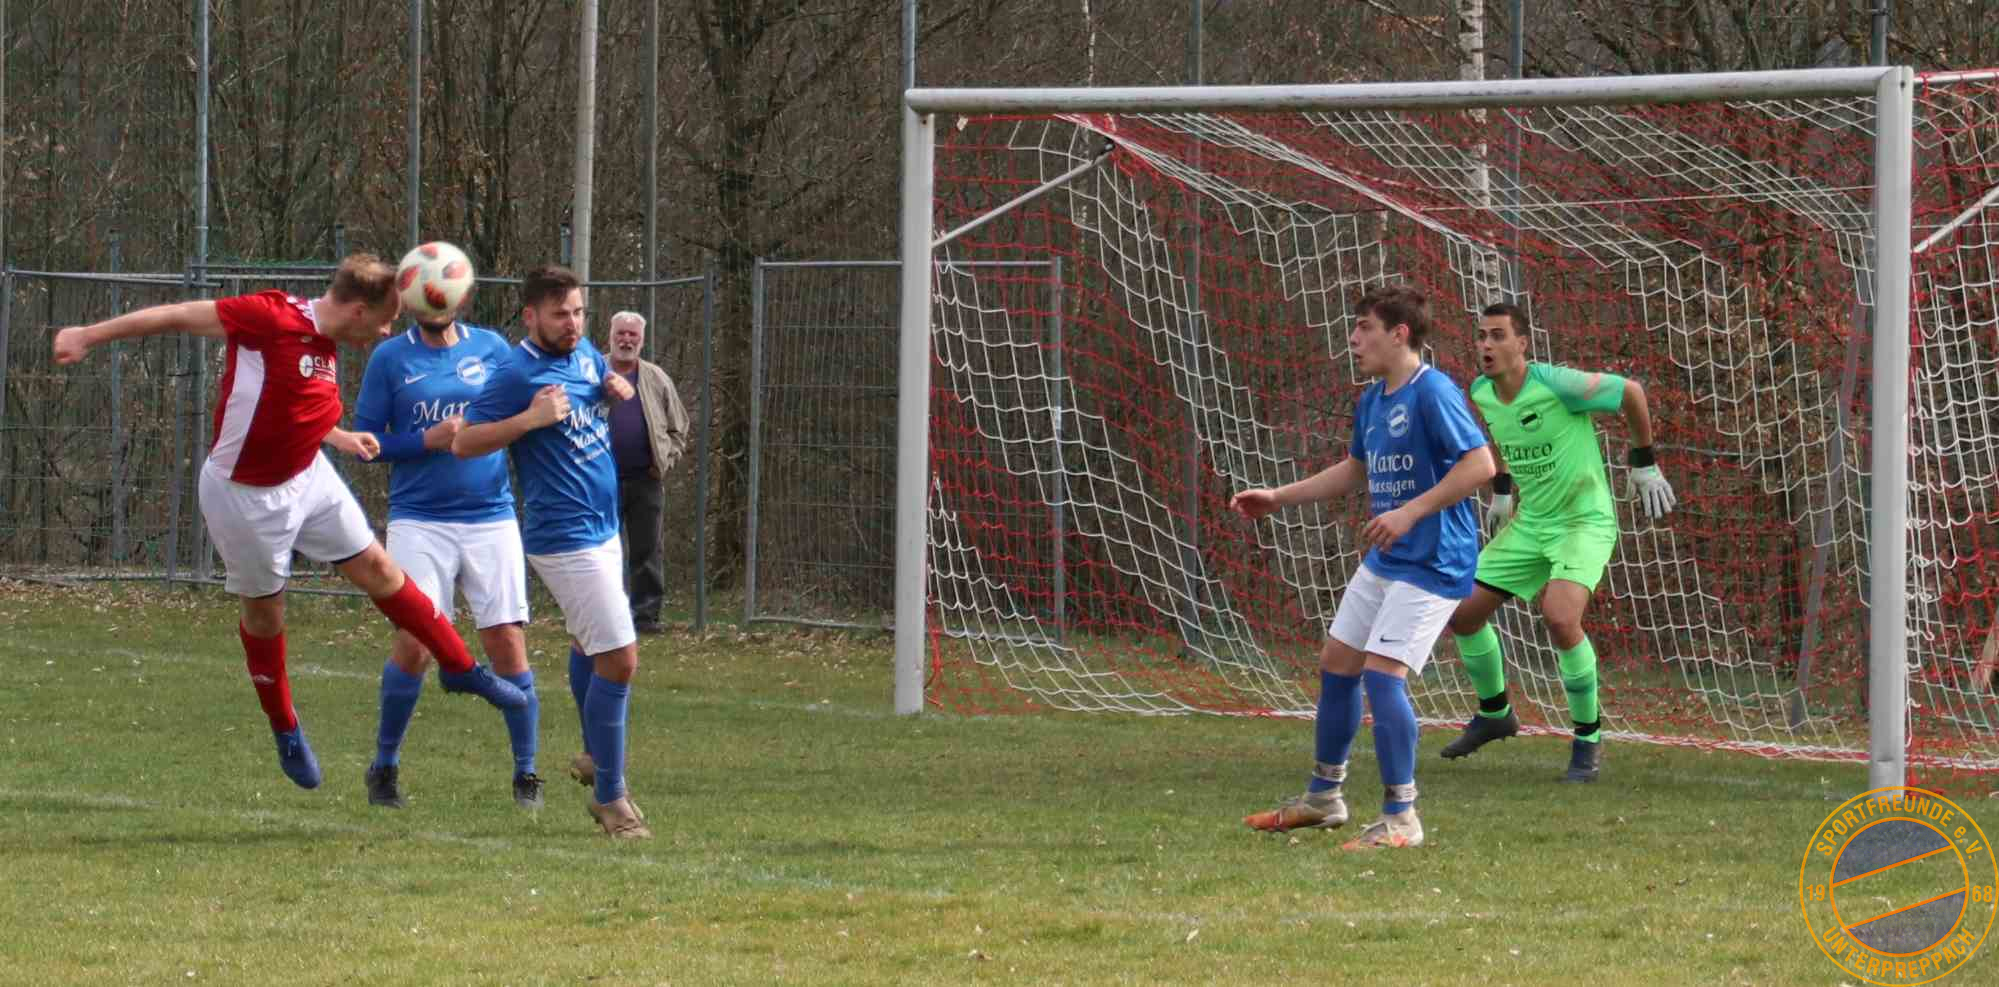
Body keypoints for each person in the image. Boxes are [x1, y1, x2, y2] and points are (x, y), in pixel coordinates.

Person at [50, 255, 527, 789]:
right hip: (245, 497)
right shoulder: (269, 317)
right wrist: (88, 334)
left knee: (380, 569)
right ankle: (285, 726)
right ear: (357, 310)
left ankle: (460, 668)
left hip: (307, 474)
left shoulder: (328, 344)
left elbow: (291, 404)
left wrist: (339, 437)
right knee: (265, 616)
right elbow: (178, 314)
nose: (387, 331)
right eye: (385, 320)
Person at [1234, 286, 1494, 850]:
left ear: (1399, 334)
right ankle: (1324, 797)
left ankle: (1402, 817)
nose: (1353, 339)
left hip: (1435, 560)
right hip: (1389, 558)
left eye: (1364, 327)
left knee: (1382, 675)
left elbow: (1481, 465)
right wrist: (1278, 497)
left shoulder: (1433, 392)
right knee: (1337, 664)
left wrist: (1410, 511)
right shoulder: (1374, 400)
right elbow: (1355, 470)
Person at [1438, 302, 1677, 783]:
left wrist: (1643, 461)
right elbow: (1500, 436)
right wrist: (1502, 491)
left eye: (1498, 335)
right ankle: (1495, 713)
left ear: (1522, 344)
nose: (1486, 345)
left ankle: (1587, 739)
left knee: (1561, 617)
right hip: (1532, 524)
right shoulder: (1481, 391)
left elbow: (1631, 393)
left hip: (1583, 521)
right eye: (1481, 336)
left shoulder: (1557, 384)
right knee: (1461, 613)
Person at [454, 265, 651, 838]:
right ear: (530, 316)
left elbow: (593, 387)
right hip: (564, 536)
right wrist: (528, 419)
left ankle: (593, 755)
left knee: (590, 644)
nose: (573, 323)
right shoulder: (515, 373)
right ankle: (611, 800)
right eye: (561, 314)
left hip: (603, 527)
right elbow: (465, 442)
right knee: (621, 657)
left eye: (579, 312)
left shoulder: (583, 352)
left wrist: (613, 388)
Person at [352, 293, 543, 810]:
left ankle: (526, 775)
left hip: (491, 516)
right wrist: (426, 440)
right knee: (415, 643)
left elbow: (531, 405)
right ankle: (384, 767)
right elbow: (364, 442)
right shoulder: (390, 357)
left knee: (506, 641)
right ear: (411, 301)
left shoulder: (493, 349)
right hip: (419, 519)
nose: (437, 303)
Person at [604, 311, 691, 635]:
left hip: (645, 479)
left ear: (642, 340)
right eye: (621, 333)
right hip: (599, 480)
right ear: (610, 335)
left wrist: (664, 462)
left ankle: (646, 616)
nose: (626, 340)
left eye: (633, 335)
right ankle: (605, 612)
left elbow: (679, 428)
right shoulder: (592, 372)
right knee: (601, 549)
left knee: (647, 549)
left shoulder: (656, 378)